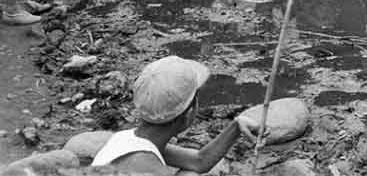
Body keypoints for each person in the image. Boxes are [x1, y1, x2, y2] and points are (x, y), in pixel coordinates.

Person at [92, 56, 264, 175]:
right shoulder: (146, 166)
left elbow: (199, 161)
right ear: (189, 113)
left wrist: (236, 126)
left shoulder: (129, 140)